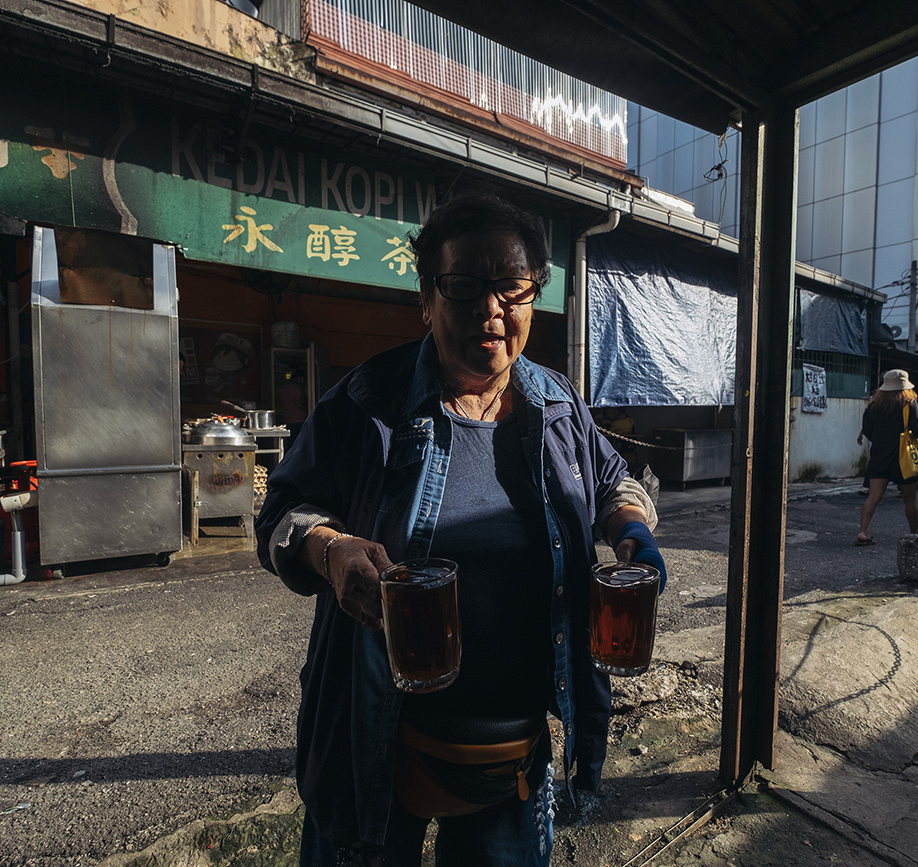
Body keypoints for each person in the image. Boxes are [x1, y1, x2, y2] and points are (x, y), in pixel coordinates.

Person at [255, 192, 665, 867]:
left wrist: (631, 528)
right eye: (465, 286)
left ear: (534, 294)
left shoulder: (559, 406)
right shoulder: (367, 402)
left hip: (511, 759)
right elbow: (278, 512)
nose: (490, 308)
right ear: (428, 297)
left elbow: (614, 481)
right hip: (374, 745)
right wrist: (329, 551)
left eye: (511, 286)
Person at [855, 369, 918, 545]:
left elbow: (868, 432)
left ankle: (863, 532)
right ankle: (914, 532)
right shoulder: (910, 405)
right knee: (910, 498)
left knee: (873, 497)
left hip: (880, 456)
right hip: (904, 459)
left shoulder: (873, 407)